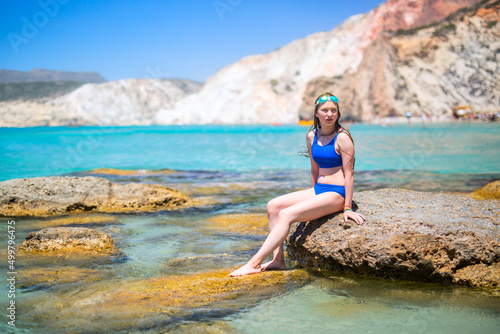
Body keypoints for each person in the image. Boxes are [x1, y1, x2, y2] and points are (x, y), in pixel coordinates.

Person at [229, 92, 366, 277]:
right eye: (324, 110)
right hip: (319, 190)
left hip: (337, 194)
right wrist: (312, 197)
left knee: (286, 214)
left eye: (333, 110)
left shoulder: (343, 138)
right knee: (273, 206)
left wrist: (347, 207)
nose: (329, 114)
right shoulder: (311, 136)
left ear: (338, 113)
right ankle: (278, 260)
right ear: (316, 113)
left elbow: (349, 174)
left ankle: (254, 263)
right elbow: (314, 169)